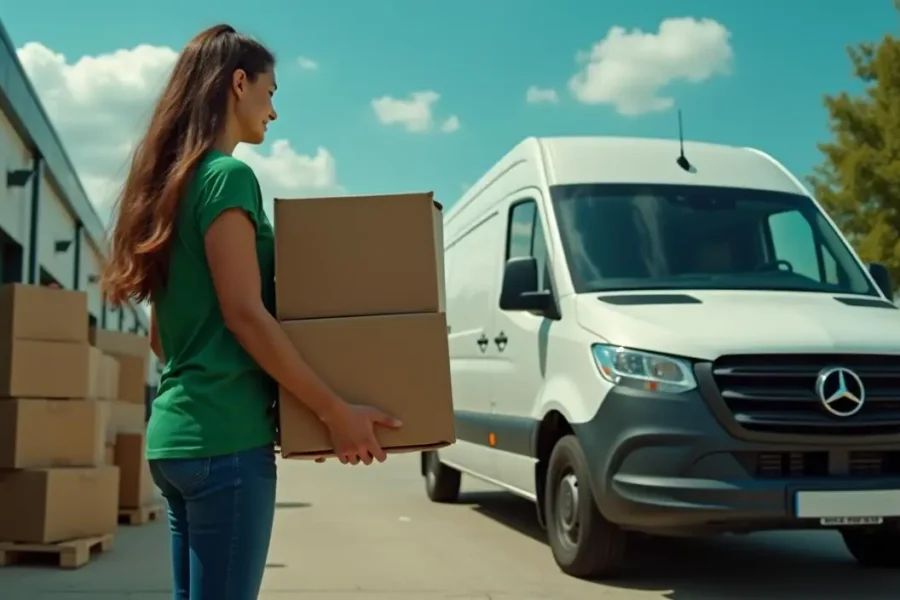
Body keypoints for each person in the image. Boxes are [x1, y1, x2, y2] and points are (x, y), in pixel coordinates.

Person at [100, 24, 402, 600]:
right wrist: (332, 410)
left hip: (175, 439)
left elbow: (163, 340)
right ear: (238, 83)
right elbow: (244, 314)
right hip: (225, 444)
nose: (274, 111)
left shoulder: (171, 187)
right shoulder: (227, 178)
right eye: (271, 92)